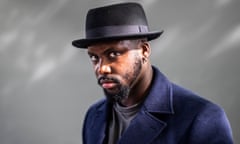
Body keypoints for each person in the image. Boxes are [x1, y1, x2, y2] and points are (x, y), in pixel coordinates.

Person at [72, 2, 234, 144]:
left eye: (114, 54)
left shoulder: (202, 118)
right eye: (94, 57)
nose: (101, 68)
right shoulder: (94, 116)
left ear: (143, 50)